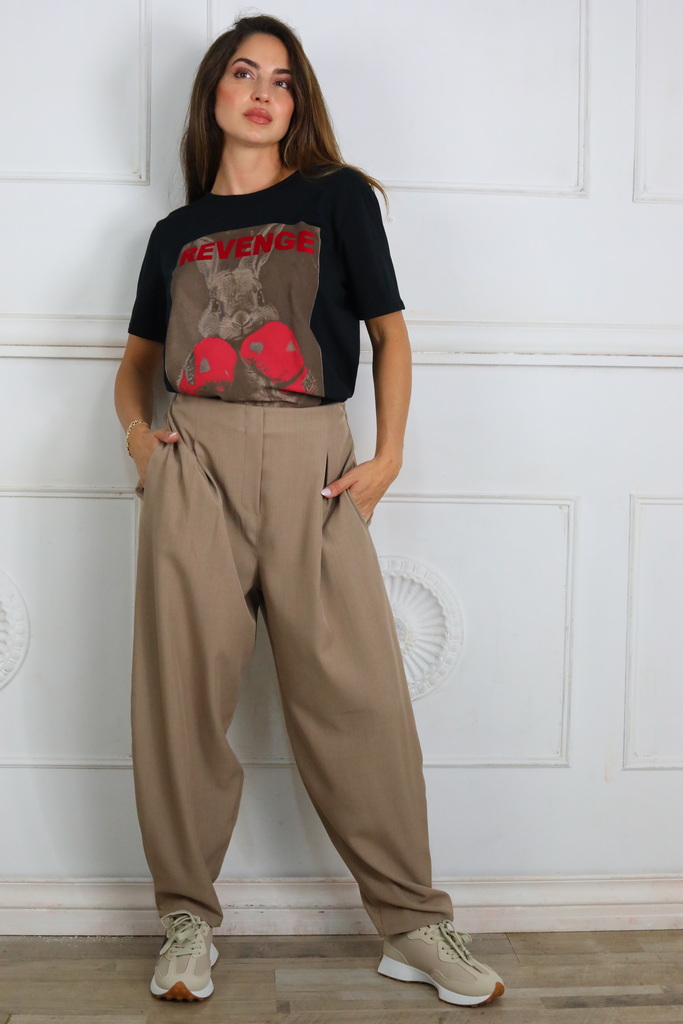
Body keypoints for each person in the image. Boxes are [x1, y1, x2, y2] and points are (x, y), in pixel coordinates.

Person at [114, 13, 505, 1008]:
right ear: (212, 92)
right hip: (194, 464)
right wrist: (140, 441)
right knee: (179, 699)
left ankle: (411, 921)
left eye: (282, 80)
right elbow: (136, 364)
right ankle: (186, 921)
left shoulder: (337, 198)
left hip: (313, 463)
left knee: (357, 697)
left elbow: (389, 334)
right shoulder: (174, 235)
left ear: (298, 104)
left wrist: (388, 455)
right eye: (243, 73)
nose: (262, 92)